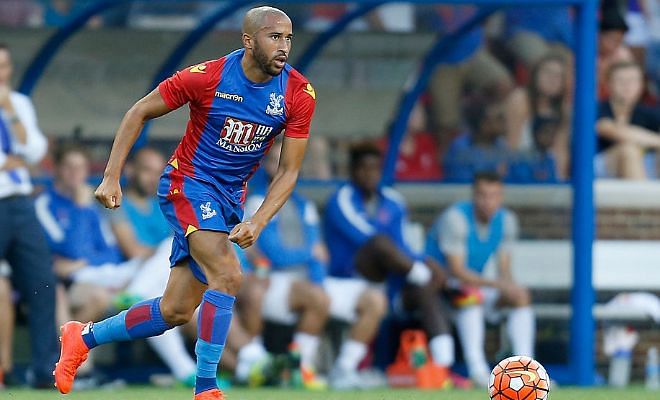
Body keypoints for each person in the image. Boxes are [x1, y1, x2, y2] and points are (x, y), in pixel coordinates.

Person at [54, 7, 316, 400]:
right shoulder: (208, 76)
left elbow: (289, 172)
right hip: (188, 185)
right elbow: (139, 111)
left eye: (288, 38)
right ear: (248, 41)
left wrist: (259, 220)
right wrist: (111, 175)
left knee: (175, 311)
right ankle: (206, 388)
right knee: (227, 275)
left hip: (229, 200)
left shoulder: (298, 93)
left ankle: (83, 337)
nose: (284, 47)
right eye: (274, 37)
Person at [323, 143, 458, 386]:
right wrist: (421, 268)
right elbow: (366, 238)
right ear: (353, 171)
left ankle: (443, 369)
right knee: (382, 243)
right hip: (352, 277)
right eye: (363, 168)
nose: (369, 174)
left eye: (375, 168)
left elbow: (403, 245)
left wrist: (427, 264)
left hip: (390, 282)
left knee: (425, 291)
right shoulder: (340, 200)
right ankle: (344, 371)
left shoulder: (393, 201)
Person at [426, 172, 535, 387]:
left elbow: (504, 269)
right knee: (471, 298)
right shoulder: (455, 218)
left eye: (494, 196)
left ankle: (527, 370)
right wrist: (498, 285)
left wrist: (509, 288)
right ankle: (478, 372)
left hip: (475, 284)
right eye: (483, 195)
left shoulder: (507, 220)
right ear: (474, 196)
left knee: (520, 297)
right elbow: (457, 271)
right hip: (441, 289)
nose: (488, 202)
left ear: (501, 197)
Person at [0, 42, 58, 389]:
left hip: (20, 203)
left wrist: (10, 112)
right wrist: (9, 161)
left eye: (5, 65)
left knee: (41, 284)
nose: (1, 74)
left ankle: (44, 370)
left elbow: (34, 150)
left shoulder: (17, 102)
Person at [504, 54, 571, 179]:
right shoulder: (520, 99)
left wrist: (560, 181)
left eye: (558, 76)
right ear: (536, 75)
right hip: (519, 166)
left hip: (546, 170)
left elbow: (560, 151)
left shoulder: (563, 109)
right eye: (547, 73)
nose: (552, 79)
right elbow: (510, 144)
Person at [596, 61, 660, 179]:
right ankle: (641, 197)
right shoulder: (598, 108)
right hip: (597, 170)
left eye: (633, 80)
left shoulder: (648, 112)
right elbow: (613, 131)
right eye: (621, 80)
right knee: (629, 150)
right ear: (608, 84)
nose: (627, 85)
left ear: (641, 85)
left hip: (642, 167)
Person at [443, 100, 510, 182]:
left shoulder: (501, 145)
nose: (503, 124)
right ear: (484, 125)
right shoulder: (460, 148)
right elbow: (460, 183)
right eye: (499, 119)